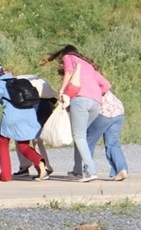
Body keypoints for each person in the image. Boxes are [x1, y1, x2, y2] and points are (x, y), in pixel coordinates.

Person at [42, 45, 110, 182]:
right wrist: (94, 94)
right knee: (81, 136)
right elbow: (106, 85)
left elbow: (68, 73)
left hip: (80, 101)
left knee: (78, 136)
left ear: (65, 53)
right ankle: (77, 171)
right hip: (96, 103)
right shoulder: (89, 66)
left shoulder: (69, 57)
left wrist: (61, 91)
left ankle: (90, 171)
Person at [0, 66, 48, 181]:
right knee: (23, 145)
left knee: (2, 142)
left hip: (12, 116)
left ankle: (5, 175)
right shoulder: (15, 81)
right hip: (29, 114)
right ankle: (39, 162)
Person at [12, 74, 57, 179]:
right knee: (38, 139)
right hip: (47, 107)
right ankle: (46, 166)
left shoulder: (16, 82)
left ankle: (26, 166)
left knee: (21, 137)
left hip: (34, 107)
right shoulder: (37, 79)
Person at [86, 91, 128, 181]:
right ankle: (121, 169)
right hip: (118, 111)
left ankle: (87, 171)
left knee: (88, 141)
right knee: (113, 143)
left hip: (104, 113)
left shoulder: (84, 80)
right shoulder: (100, 81)